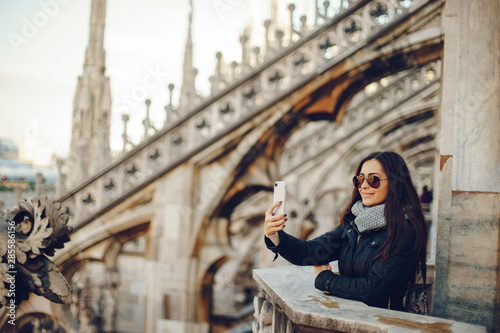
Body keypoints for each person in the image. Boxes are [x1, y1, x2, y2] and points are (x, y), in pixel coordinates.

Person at [264, 151, 427, 311]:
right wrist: (274, 235)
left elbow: (374, 290)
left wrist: (326, 281)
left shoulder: (405, 230)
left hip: (383, 323)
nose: (364, 185)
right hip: (354, 317)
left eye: (373, 179)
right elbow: (310, 251)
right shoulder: (354, 223)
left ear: (394, 183)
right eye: (360, 179)